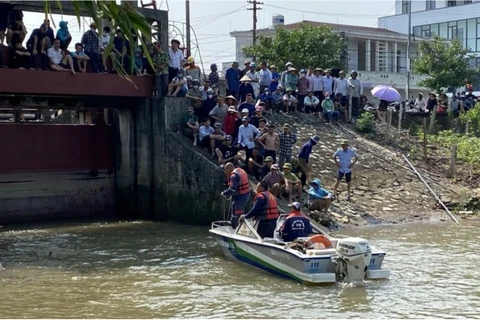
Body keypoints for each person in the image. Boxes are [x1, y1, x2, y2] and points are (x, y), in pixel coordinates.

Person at [222, 163, 251, 229]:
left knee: (239, 212)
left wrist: (224, 193)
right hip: (246, 194)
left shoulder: (233, 176)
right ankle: (233, 223)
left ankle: (241, 228)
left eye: (225, 169)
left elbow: (232, 189)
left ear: (229, 168)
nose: (225, 171)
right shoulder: (240, 170)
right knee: (233, 206)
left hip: (241, 197)